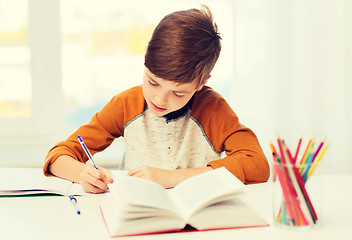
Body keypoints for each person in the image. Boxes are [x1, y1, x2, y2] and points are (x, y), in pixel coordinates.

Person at [43, 6, 270, 193]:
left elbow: (257, 166)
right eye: (152, 82)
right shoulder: (126, 104)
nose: (159, 99)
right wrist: (83, 174)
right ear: (144, 59)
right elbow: (58, 156)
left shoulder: (213, 109)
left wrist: (173, 177)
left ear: (202, 83)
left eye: (178, 93)